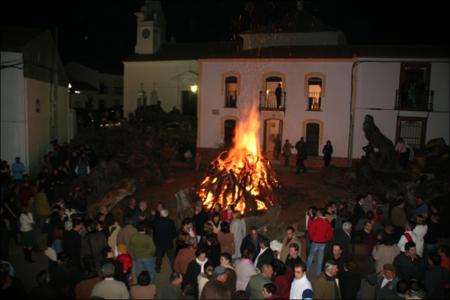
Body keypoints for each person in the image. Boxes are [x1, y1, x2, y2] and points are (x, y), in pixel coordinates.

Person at [306, 209, 334, 275]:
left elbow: (311, 231)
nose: (317, 214)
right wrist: (327, 239)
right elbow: (330, 232)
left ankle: (307, 269)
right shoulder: (327, 222)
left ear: (320, 214)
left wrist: (312, 238)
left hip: (315, 242)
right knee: (320, 258)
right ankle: (318, 273)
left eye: (318, 213)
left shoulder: (317, 221)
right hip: (323, 243)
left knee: (311, 256)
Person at [152, 208, 177, 273]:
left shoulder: (157, 221)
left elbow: (152, 229)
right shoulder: (171, 222)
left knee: (159, 256)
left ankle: (157, 268)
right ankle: (174, 270)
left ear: (160, 214)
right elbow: (174, 233)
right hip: (169, 242)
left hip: (159, 243)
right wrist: (171, 238)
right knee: (171, 258)